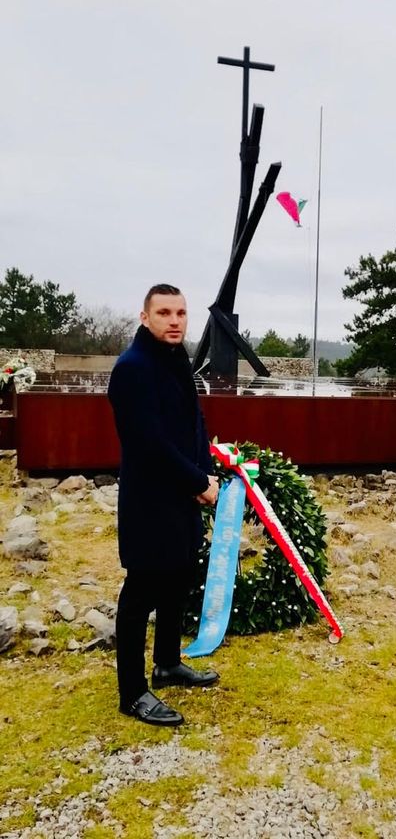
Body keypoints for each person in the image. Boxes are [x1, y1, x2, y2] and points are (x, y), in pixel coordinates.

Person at [108, 283, 220, 726]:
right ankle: (132, 691)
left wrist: (205, 472)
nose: (175, 321)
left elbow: (194, 422)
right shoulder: (132, 368)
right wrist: (196, 480)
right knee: (141, 592)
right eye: (165, 313)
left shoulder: (175, 361)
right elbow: (148, 442)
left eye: (181, 313)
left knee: (177, 576)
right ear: (145, 317)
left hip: (182, 494)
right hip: (151, 500)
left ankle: (168, 663)